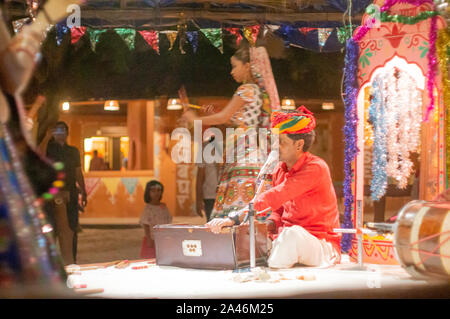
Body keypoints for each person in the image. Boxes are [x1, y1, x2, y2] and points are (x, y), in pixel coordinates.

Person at [207, 107, 341, 269]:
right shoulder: (279, 168)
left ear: (299, 145)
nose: (274, 147)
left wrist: (233, 218)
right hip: (284, 237)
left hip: (320, 244)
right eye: (273, 141)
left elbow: (276, 196)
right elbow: (277, 210)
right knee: (256, 240)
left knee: (292, 235)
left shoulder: (316, 167)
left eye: (281, 142)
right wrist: (266, 227)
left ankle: (271, 279)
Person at [181, 43, 280, 221]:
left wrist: (194, 119)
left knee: (235, 210)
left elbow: (223, 117)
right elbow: (229, 119)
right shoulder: (257, 92)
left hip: (242, 152)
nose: (231, 72)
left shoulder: (246, 89)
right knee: (249, 210)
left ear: (247, 66)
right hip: (252, 152)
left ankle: (235, 244)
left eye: (235, 66)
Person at [46, 121, 87, 265]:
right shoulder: (48, 149)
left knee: (72, 227)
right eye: (56, 130)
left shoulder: (73, 151)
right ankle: (51, 263)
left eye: (62, 129)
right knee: (53, 229)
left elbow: (78, 172)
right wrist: (46, 137)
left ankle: (71, 261)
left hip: (71, 193)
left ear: (67, 132)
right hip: (53, 195)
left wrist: (84, 191)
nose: (60, 132)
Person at [139, 180, 172, 259]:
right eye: (153, 190)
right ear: (148, 192)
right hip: (152, 240)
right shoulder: (148, 208)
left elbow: (168, 221)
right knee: (152, 260)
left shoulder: (164, 207)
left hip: (163, 239)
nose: (156, 193)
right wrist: (149, 239)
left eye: (159, 190)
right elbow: (146, 224)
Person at [196, 135, 221, 222]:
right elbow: (200, 176)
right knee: (212, 228)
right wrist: (198, 201)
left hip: (229, 195)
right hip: (210, 196)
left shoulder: (231, 146)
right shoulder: (205, 147)